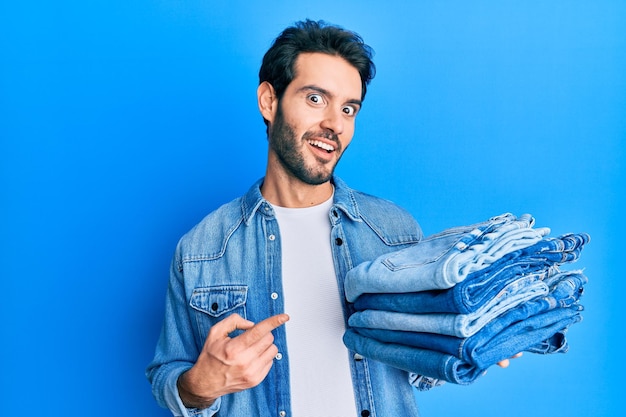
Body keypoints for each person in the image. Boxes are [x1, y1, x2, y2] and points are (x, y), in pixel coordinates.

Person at [146, 19, 516, 417]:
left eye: (348, 108)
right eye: (316, 99)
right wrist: (200, 385)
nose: (334, 124)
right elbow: (169, 371)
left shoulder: (394, 232)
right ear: (269, 101)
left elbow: (416, 369)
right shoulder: (203, 248)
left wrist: (471, 341)